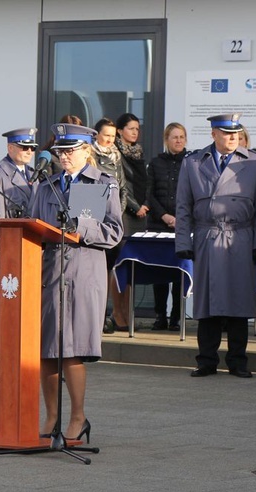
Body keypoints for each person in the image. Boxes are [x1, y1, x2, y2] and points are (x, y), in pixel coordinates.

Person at [29, 123, 123, 440]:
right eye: (60, 151)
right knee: (48, 349)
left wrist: (80, 224)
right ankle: (51, 417)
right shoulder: (45, 185)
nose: (64, 156)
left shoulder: (98, 184)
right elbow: (32, 229)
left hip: (83, 274)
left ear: (86, 151)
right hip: (51, 273)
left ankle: (77, 417)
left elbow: (112, 232)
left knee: (72, 349)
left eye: (70, 151)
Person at [175, 113, 256, 379]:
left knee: (239, 302)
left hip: (240, 238)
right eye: (227, 133)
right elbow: (183, 207)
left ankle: (238, 361)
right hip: (206, 238)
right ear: (213, 134)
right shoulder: (193, 162)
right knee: (207, 302)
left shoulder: (253, 162)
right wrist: (183, 241)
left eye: (236, 133)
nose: (232, 138)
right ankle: (206, 360)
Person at [0, 128, 38, 361]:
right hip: (6, 247)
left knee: (25, 300)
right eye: (23, 147)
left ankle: (22, 346)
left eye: (32, 148)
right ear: (10, 148)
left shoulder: (35, 175)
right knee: (1, 299)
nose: (28, 152)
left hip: (29, 247)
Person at [146, 122, 188, 331]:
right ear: (166, 140)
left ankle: (176, 317)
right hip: (158, 224)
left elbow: (193, 193)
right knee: (160, 273)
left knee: (180, 273)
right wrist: (164, 216)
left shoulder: (192, 162)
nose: (178, 141)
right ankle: (160, 315)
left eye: (181, 137)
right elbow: (149, 194)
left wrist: (179, 218)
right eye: (174, 137)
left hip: (183, 225)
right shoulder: (155, 163)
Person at [110, 113, 148, 330]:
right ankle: (117, 312)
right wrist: (135, 206)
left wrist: (145, 204)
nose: (135, 132)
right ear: (119, 130)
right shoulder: (116, 153)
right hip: (124, 212)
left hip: (140, 216)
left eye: (137, 128)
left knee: (132, 266)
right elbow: (120, 184)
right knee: (120, 264)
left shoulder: (138, 152)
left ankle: (127, 312)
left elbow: (144, 182)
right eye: (131, 128)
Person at [91, 118, 129, 333]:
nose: (110, 139)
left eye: (113, 136)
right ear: (97, 134)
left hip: (113, 222)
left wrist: (117, 212)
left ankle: (108, 314)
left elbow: (122, 188)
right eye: (106, 135)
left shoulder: (116, 156)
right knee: (98, 270)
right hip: (96, 222)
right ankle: (99, 315)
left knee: (110, 269)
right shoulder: (90, 156)